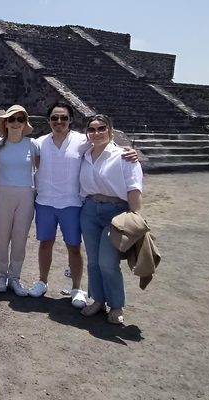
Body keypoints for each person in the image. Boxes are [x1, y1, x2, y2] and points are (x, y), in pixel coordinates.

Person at [28, 102, 136, 309]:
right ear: (48, 120)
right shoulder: (39, 143)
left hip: (72, 203)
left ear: (70, 120)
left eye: (64, 118)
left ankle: (77, 288)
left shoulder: (81, 141)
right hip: (45, 202)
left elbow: (105, 144)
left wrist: (129, 150)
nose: (59, 122)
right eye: (55, 118)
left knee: (74, 247)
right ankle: (42, 281)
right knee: (45, 244)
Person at [79, 114, 143, 324]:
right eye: (92, 129)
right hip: (89, 210)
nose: (96, 133)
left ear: (111, 130)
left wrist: (135, 218)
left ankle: (116, 304)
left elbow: (134, 187)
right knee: (94, 261)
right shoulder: (85, 154)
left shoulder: (123, 156)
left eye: (101, 128)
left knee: (108, 262)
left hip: (115, 212)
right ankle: (98, 299)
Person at [0, 105, 36, 296]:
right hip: (4, 193)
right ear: (6, 123)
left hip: (25, 194)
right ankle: (1, 275)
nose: (16, 123)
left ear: (25, 123)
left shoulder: (33, 144)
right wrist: (5, 173)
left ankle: (14, 277)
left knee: (20, 238)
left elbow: (40, 166)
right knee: (1, 236)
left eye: (20, 119)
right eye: (12, 119)